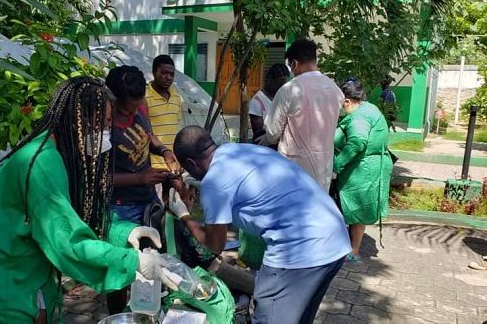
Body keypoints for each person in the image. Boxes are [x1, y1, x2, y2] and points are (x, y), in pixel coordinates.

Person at [0, 77, 176, 323]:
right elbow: (65, 240)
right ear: (79, 123)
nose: (108, 135)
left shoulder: (64, 156)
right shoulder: (44, 162)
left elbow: (76, 212)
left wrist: (123, 231)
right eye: (104, 125)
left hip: (14, 265)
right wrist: (134, 261)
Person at [167, 125, 351, 324]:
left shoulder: (214, 183)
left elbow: (214, 244)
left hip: (300, 250)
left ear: (191, 163)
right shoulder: (241, 151)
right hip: (335, 235)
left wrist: (184, 215)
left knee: (268, 317)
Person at [105, 65, 181, 314]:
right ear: (114, 99)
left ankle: (145, 314)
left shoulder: (140, 105)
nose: (135, 110)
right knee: (120, 271)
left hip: (146, 201)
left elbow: (150, 137)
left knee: (150, 265)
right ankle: (117, 316)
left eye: (138, 105)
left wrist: (166, 151)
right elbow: (98, 178)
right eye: (129, 107)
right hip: (120, 209)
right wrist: (139, 178)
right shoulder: (104, 123)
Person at [260, 39, 344, 191]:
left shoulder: (289, 90)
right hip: (323, 169)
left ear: (294, 64)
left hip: (293, 171)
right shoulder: (336, 91)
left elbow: (272, 134)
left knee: (291, 212)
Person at [333, 79, 393, 263]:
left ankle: (354, 250)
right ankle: (350, 246)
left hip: (363, 169)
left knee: (356, 208)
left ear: (347, 101)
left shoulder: (359, 117)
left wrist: (337, 165)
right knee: (355, 209)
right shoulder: (369, 109)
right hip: (368, 166)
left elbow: (357, 141)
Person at [145, 55, 183, 171]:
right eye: (164, 73)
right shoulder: (144, 97)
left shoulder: (176, 96)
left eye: (172, 74)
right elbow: (145, 132)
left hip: (173, 163)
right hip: (152, 164)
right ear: (154, 72)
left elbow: (175, 128)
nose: (168, 77)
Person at [249, 63, 290, 146]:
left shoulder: (281, 99)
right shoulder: (257, 102)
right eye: (279, 85)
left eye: (283, 87)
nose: (281, 90)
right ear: (269, 80)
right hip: (265, 148)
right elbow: (259, 134)